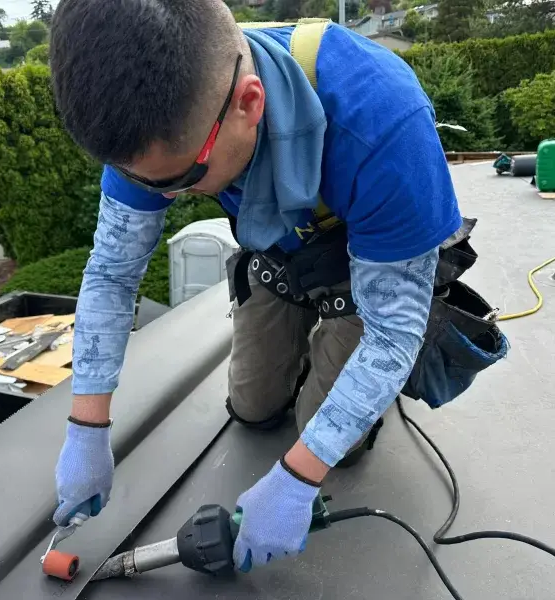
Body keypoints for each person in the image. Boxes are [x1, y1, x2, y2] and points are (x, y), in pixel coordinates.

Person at [49, 0, 463, 573]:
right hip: (278, 253)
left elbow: (394, 333)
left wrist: (295, 481)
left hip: (366, 272)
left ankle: (339, 355)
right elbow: (113, 273)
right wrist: (87, 428)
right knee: (253, 407)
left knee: (329, 444)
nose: (164, 197)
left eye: (183, 181)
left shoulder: (380, 123)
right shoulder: (156, 121)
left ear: (249, 103)